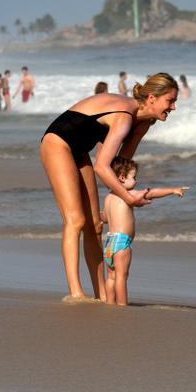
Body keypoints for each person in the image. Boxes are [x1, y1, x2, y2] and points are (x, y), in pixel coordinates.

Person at [39, 72, 179, 300]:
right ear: (152, 97)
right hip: (57, 143)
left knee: (95, 225)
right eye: (170, 101)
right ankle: (76, 293)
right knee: (76, 220)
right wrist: (129, 198)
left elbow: (118, 167)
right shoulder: (125, 116)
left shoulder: (143, 124)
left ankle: (103, 295)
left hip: (80, 151)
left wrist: (123, 199)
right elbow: (102, 167)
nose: (173, 107)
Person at [102, 156, 188, 306]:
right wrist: (173, 190)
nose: (136, 181)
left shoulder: (108, 198)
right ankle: (122, 305)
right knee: (122, 276)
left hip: (109, 242)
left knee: (111, 277)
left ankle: (110, 304)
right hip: (122, 242)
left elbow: (104, 217)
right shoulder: (129, 194)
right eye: (133, 177)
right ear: (122, 178)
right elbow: (152, 193)